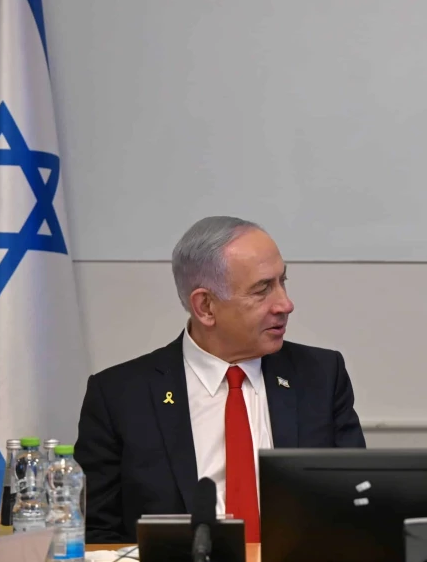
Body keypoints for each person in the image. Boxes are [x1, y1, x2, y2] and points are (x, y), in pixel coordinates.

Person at [75, 216, 366, 544]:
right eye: (263, 289)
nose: (285, 304)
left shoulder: (321, 376)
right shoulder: (120, 396)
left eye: (282, 281)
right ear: (205, 306)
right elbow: (96, 536)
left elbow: (356, 510)